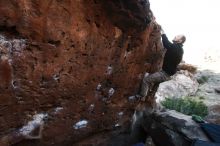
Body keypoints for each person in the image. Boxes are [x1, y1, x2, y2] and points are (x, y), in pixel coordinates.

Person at [139, 28, 186, 100]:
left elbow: (166, 44)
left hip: (165, 74)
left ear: (180, 41)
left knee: (146, 80)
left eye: (177, 36)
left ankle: (141, 98)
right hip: (166, 73)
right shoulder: (179, 49)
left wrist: (163, 34)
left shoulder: (176, 48)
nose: (175, 36)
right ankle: (149, 98)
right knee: (153, 82)